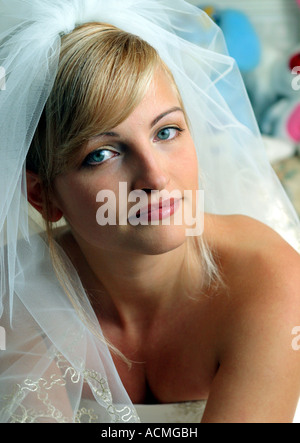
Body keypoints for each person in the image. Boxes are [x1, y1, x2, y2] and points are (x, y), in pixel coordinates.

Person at [0, 0, 300, 424]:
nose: (155, 178)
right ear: (42, 197)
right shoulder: (16, 302)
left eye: (167, 131)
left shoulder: (271, 279)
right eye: (102, 153)